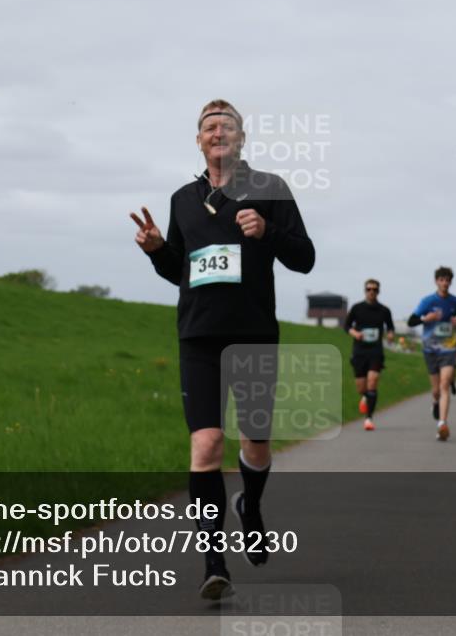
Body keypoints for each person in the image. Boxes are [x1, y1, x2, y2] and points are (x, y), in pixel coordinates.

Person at [130, 99, 315, 600]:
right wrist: (156, 252)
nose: (218, 133)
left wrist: (268, 231)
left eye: (227, 126)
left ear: (242, 138)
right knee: (207, 444)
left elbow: (305, 259)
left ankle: (250, 508)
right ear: (198, 140)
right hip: (199, 336)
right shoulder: (182, 200)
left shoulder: (270, 190)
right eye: (209, 127)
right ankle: (215, 565)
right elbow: (180, 272)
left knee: (255, 442)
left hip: (253, 334)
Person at [408, 266, 456, 441]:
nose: (444, 283)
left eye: (447, 280)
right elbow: (412, 320)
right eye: (441, 280)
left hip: (449, 349)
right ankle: (435, 402)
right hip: (430, 350)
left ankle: (442, 424)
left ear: (451, 282)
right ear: (436, 281)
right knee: (436, 390)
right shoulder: (427, 301)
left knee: (444, 385)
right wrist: (424, 319)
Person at [344, 279, 395, 431]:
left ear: (378, 291)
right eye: (369, 289)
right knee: (361, 387)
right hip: (359, 351)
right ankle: (365, 396)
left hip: (375, 351)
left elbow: (390, 327)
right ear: (365, 290)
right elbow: (346, 326)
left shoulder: (384, 310)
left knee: (373, 381)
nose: (372, 292)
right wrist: (354, 333)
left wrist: (391, 335)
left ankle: (369, 418)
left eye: (375, 289)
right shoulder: (357, 308)